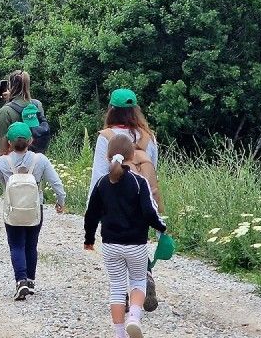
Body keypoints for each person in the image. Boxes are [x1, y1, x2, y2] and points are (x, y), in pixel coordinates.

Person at [84, 135, 168, 338]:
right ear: (132, 155)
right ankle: (134, 317)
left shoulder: (102, 184)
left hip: (111, 245)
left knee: (117, 288)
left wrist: (89, 239)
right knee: (138, 281)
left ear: (107, 155)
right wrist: (161, 228)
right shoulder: (139, 182)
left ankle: (119, 334)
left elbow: (91, 214)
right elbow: (149, 212)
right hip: (136, 245)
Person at [88, 87, 163, 311]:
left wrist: (93, 208)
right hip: (141, 197)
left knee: (118, 244)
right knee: (137, 242)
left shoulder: (107, 136)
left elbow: (100, 173)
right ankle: (144, 276)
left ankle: (124, 294)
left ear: (111, 109)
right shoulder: (148, 137)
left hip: (114, 202)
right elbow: (153, 170)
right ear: (135, 110)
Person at [0, 122, 66, 301]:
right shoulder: (40, 160)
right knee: (31, 244)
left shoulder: (3, 161)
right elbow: (56, 183)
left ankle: (21, 280)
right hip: (34, 208)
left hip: (12, 209)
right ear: (31, 140)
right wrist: (60, 201)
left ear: (9, 142)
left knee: (16, 245)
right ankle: (30, 280)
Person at [0, 69, 46, 174]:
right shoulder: (37, 105)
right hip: (35, 160)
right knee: (35, 188)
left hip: (13, 163)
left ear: (11, 86)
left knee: (13, 189)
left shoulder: (6, 110)